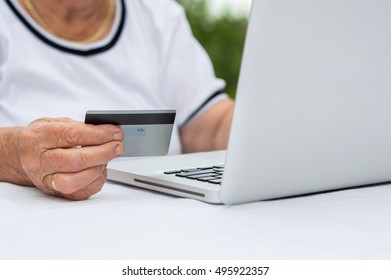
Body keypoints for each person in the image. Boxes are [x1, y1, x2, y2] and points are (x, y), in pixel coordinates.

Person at [0, 0, 234, 200]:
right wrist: (14, 154)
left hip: (162, 228)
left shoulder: (156, 12)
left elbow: (208, 124)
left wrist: (261, 125)